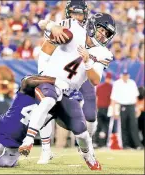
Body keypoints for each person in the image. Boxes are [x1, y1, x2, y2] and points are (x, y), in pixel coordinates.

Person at [19, 12, 116, 171]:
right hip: (50, 81)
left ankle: (90, 158)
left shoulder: (104, 53)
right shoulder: (74, 28)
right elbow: (43, 23)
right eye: (101, 29)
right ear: (92, 25)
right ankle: (28, 141)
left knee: (82, 132)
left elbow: (95, 80)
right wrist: (53, 26)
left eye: (106, 33)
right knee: (47, 101)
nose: (103, 34)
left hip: (68, 92)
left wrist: (87, 62)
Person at [36, 0, 89, 164]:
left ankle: (82, 142)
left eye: (79, 13)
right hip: (52, 72)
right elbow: (42, 23)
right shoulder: (63, 25)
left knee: (77, 108)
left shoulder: (86, 32)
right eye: (74, 13)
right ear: (68, 13)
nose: (77, 17)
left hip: (71, 77)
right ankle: (45, 149)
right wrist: (52, 26)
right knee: (45, 107)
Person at [110, 70, 143, 149]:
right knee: (124, 126)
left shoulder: (132, 83)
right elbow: (113, 98)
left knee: (133, 125)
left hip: (131, 106)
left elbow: (136, 97)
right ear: (121, 75)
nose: (125, 76)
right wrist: (114, 110)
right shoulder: (117, 84)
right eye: (124, 75)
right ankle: (126, 145)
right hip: (122, 106)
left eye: (126, 75)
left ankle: (137, 145)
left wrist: (137, 108)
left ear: (128, 75)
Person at [95, 72, 113, 147]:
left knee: (99, 126)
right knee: (106, 126)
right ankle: (104, 143)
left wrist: (96, 108)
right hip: (107, 109)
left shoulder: (99, 87)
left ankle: (96, 142)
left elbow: (96, 99)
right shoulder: (112, 87)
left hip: (100, 108)